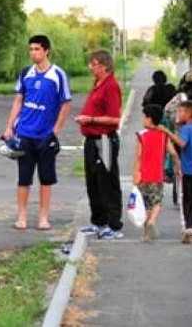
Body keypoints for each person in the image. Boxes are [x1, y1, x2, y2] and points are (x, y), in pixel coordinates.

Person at [2, 35, 72, 231]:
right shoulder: (26, 73)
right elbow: (18, 101)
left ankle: (43, 217)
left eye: (37, 49)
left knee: (46, 178)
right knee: (24, 178)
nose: (33, 53)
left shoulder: (57, 75)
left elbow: (66, 104)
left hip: (45, 135)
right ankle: (22, 217)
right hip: (24, 133)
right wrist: (9, 127)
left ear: (46, 51)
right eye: (31, 49)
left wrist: (55, 131)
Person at [75, 51, 124, 240]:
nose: (91, 67)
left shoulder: (111, 86)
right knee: (93, 182)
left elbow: (114, 118)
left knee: (107, 182)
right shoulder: (97, 85)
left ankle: (113, 224)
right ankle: (98, 221)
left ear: (104, 66)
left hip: (104, 139)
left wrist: (91, 119)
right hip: (91, 140)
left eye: (94, 64)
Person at [133, 104, 180, 243]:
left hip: (143, 176)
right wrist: (178, 167)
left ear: (149, 119)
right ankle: (152, 221)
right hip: (157, 176)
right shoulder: (163, 136)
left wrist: (136, 173)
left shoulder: (141, 135)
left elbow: (138, 157)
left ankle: (147, 235)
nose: (142, 119)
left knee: (145, 205)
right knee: (157, 202)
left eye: (144, 117)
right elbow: (173, 153)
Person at [158, 101, 192, 243]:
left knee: (188, 200)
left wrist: (167, 132)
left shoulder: (187, 129)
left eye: (180, 111)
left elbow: (182, 143)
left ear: (188, 113)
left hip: (189, 170)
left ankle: (189, 228)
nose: (178, 114)